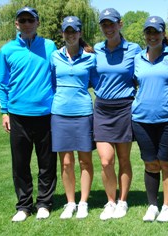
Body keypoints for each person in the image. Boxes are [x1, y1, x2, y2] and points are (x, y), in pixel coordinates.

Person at [0, 6, 57, 221]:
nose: (27, 24)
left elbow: (56, 77)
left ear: (37, 23)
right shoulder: (7, 50)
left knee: (47, 162)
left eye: (30, 20)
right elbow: (3, 84)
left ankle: (44, 203)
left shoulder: (50, 46)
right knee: (20, 163)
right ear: (17, 24)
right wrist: (4, 112)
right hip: (17, 114)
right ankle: (23, 206)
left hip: (46, 113)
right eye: (22, 20)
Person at [132, 16, 168, 222]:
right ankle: (153, 205)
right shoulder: (137, 58)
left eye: (156, 32)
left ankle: (167, 206)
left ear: (163, 34)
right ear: (144, 35)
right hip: (142, 119)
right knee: (150, 163)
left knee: (167, 163)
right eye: (149, 32)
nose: (152, 36)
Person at [93, 8, 141, 220]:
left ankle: (122, 201)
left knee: (123, 158)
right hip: (102, 108)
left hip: (124, 108)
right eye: (104, 24)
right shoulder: (97, 49)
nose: (108, 28)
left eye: (112, 24)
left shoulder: (134, 49)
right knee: (106, 160)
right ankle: (110, 201)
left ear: (120, 24)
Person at [50, 16, 96, 219]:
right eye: (67, 31)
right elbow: (51, 82)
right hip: (59, 113)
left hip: (83, 113)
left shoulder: (90, 58)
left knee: (85, 160)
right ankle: (70, 203)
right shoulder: (54, 56)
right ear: (63, 34)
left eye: (74, 31)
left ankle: (84, 202)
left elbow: (96, 82)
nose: (70, 35)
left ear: (80, 33)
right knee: (66, 162)